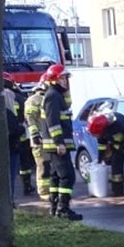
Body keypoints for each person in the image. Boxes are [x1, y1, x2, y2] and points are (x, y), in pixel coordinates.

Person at [40, 64, 83, 220]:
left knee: (56, 176)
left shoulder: (57, 95)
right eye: (63, 78)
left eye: (66, 78)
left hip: (57, 144)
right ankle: (63, 209)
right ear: (54, 79)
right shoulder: (53, 96)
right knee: (68, 176)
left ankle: (54, 208)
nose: (66, 81)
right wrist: (59, 143)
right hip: (57, 145)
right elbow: (53, 122)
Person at [4, 73, 35, 196]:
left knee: (17, 164)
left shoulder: (1, 98)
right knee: (24, 161)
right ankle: (27, 186)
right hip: (21, 133)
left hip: (12, 134)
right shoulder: (19, 97)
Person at [24, 74, 51, 201]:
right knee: (43, 165)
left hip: (50, 139)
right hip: (39, 140)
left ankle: (50, 190)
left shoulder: (49, 98)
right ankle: (44, 192)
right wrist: (35, 135)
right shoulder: (34, 100)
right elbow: (30, 119)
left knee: (50, 165)